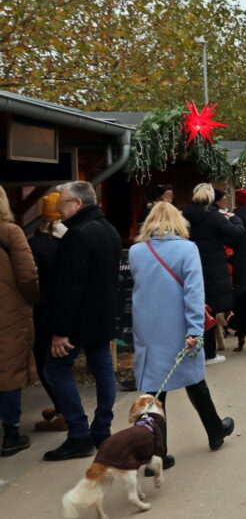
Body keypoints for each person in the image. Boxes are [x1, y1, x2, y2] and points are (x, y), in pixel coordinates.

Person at [129, 202, 235, 463]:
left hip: (148, 329)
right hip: (179, 327)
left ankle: (156, 450)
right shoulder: (188, 249)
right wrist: (195, 329)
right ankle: (214, 430)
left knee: (154, 390)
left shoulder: (135, 252)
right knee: (195, 381)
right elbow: (193, 293)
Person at [43, 181, 121, 461]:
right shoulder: (108, 229)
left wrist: (60, 331)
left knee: (55, 370)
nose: (58, 209)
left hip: (78, 321)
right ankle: (101, 428)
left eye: (62, 203)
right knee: (103, 370)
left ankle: (78, 434)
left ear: (77, 204)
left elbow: (70, 286)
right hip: (101, 316)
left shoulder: (78, 234)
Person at [182, 183, 244, 365]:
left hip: (191, 265)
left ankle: (196, 350)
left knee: (197, 307)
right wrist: (235, 219)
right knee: (210, 309)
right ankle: (209, 353)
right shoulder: (214, 216)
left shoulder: (185, 215)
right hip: (214, 268)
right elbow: (237, 234)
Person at [0, 185, 39, 457]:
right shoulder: (11, 232)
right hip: (9, 310)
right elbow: (28, 275)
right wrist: (32, 299)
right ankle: (11, 434)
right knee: (8, 371)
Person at [27, 192, 67, 434]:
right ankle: (62, 406)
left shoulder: (36, 244)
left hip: (43, 311)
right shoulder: (71, 241)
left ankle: (63, 411)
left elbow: (29, 280)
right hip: (67, 310)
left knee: (45, 364)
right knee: (61, 364)